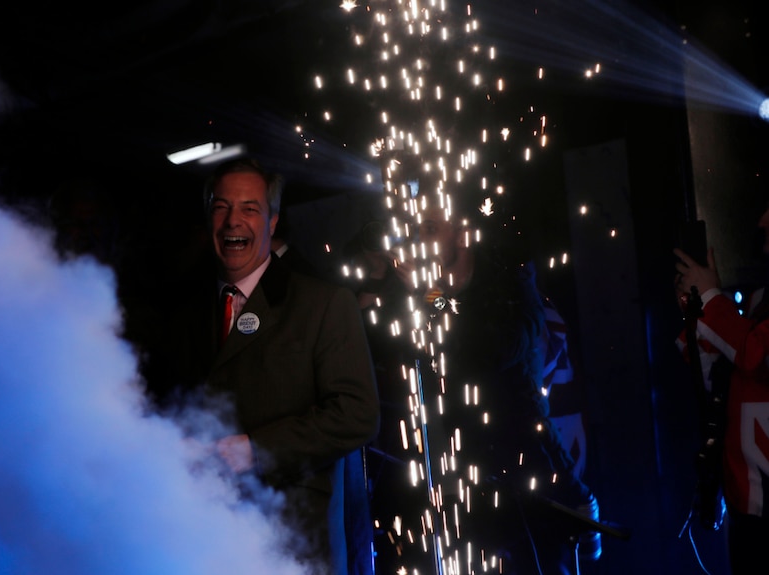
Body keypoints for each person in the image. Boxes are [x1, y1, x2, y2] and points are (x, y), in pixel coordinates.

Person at [141, 156, 381, 575]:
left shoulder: (323, 304)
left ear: (271, 223)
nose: (233, 221)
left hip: (286, 544)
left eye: (249, 208)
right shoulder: (181, 313)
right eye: (221, 207)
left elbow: (357, 416)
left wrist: (255, 449)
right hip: (196, 540)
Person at [351, 200, 598, 574]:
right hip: (446, 486)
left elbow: (490, 349)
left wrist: (431, 295)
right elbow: (365, 348)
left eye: (431, 227)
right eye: (416, 227)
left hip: (520, 481)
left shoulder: (510, 282)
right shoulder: (412, 292)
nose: (420, 237)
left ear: (463, 233)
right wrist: (374, 277)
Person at [674, 207, 769, 575]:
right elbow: (721, 374)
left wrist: (713, 300)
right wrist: (695, 310)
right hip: (748, 502)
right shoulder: (761, 297)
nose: (760, 222)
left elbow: (757, 354)